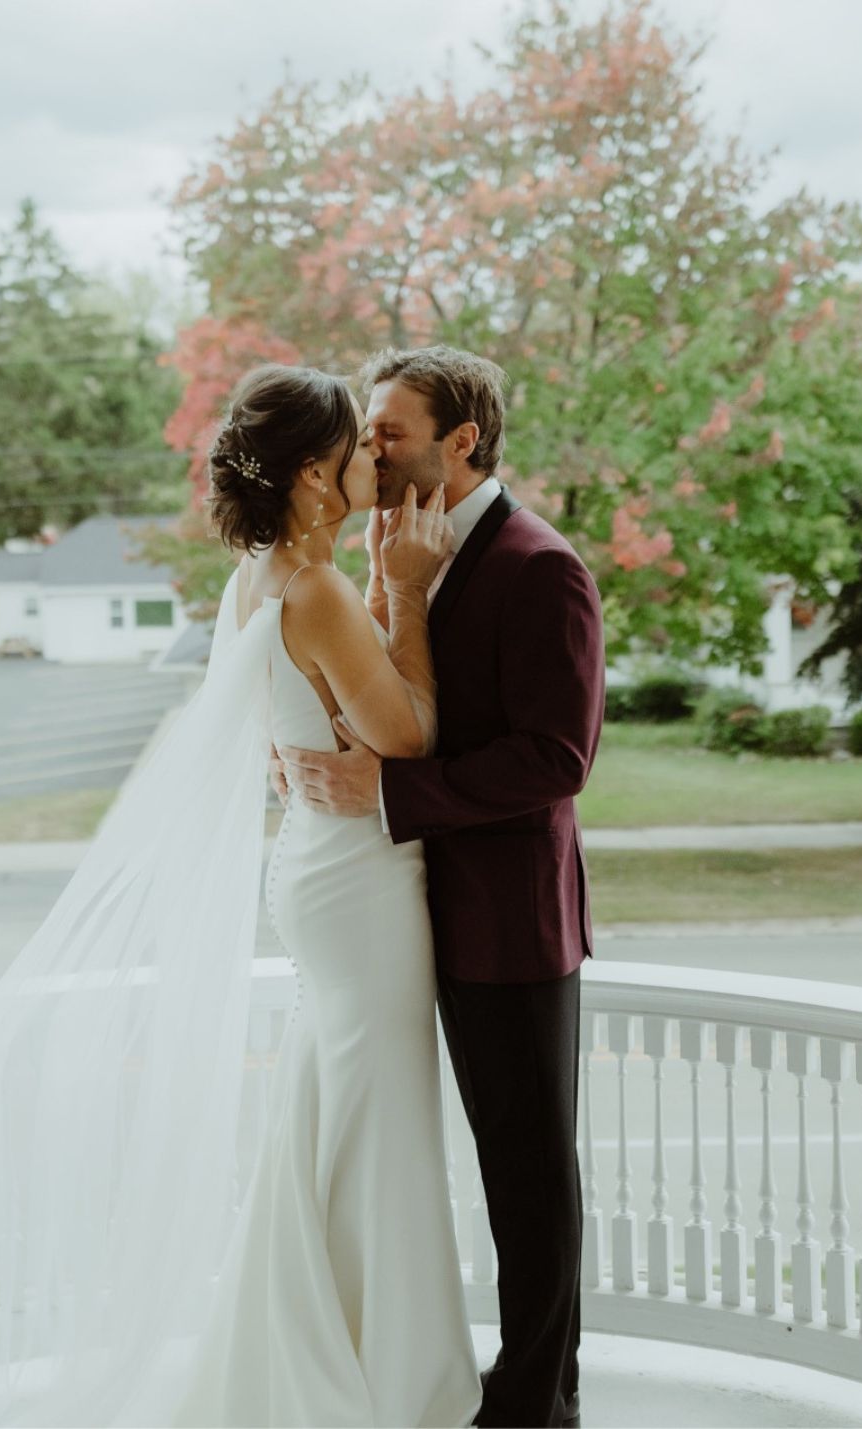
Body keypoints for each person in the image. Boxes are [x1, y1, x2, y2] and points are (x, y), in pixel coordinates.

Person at [0, 363, 486, 1427]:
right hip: (359, 882)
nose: (368, 460)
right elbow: (407, 735)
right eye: (353, 448)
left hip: (316, 867)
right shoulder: (318, 590)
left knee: (331, 1117)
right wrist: (412, 595)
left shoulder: (256, 579)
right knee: (379, 1125)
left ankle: (333, 1345)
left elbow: (299, 719)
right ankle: (391, 1377)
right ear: (308, 475)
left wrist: (371, 617)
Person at [281, 346, 605, 1429]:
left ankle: (533, 1405)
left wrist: (390, 797)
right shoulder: (390, 545)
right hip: (396, 911)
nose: (368, 449)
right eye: (367, 431)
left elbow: (556, 759)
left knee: (526, 1176)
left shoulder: (537, 563)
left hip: (505, 921)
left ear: (460, 441)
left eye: (388, 431)